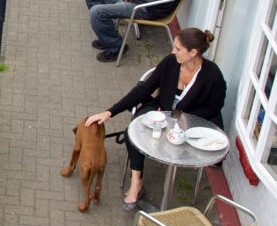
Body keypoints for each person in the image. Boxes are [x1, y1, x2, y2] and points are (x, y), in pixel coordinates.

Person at [85, 28, 226, 210]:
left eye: (177, 48)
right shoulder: (170, 63)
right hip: (160, 110)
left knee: (174, 147)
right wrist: (109, 112)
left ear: (193, 52)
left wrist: (178, 118)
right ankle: (137, 182)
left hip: (189, 121)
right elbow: (143, 89)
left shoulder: (213, 75)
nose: (172, 51)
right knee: (131, 133)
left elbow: (214, 108)